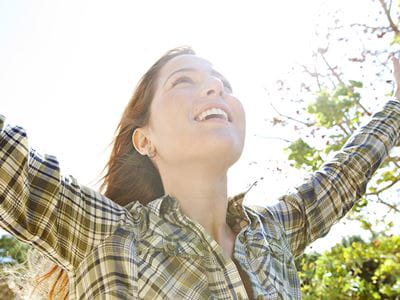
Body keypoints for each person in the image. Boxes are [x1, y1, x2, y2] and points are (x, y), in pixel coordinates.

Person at [0, 46, 399, 300]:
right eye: (183, 81)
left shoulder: (271, 235)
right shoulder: (109, 235)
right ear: (144, 140)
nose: (214, 86)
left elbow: (345, 174)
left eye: (222, 82)